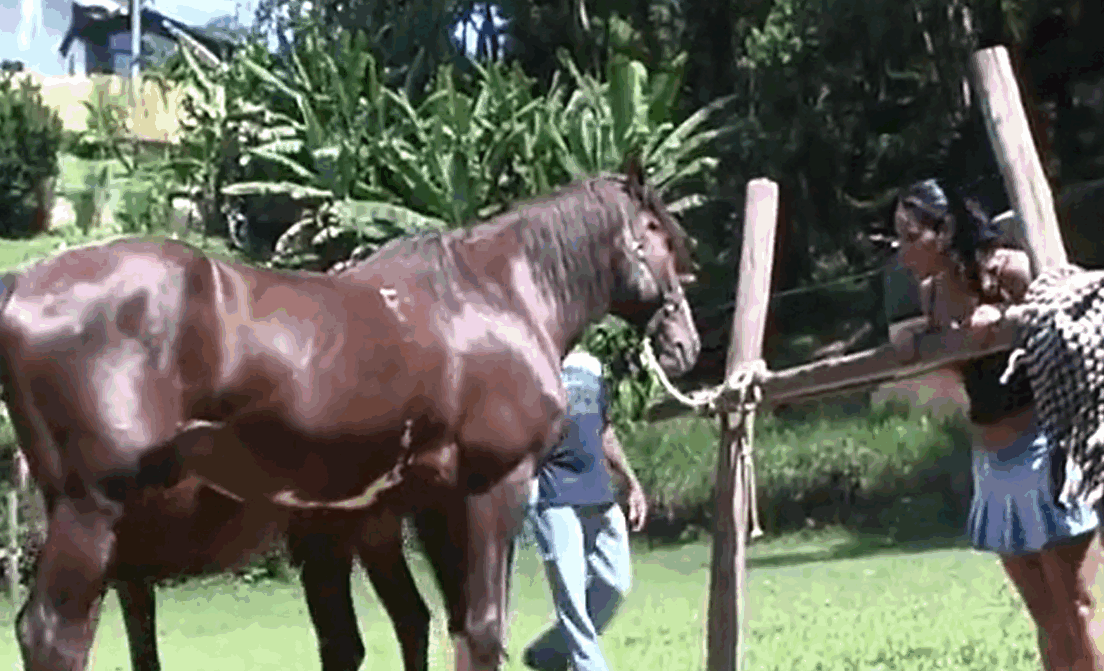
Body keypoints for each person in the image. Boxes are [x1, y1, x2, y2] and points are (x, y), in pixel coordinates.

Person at [893, 178, 1104, 671]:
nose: (901, 251)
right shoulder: (932, 295)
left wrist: (1010, 315)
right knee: (1046, 615)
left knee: (1075, 607)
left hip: (1046, 451)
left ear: (943, 232)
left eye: (909, 235)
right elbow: (946, 359)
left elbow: (1067, 313)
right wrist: (915, 341)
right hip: (993, 466)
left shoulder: (1009, 269)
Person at [522, 350, 648, 671]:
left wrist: (632, 482)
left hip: (598, 492)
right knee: (573, 602)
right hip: (554, 496)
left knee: (615, 583)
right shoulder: (530, 357)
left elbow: (604, 430)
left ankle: (547, 653)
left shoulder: (590, 366)